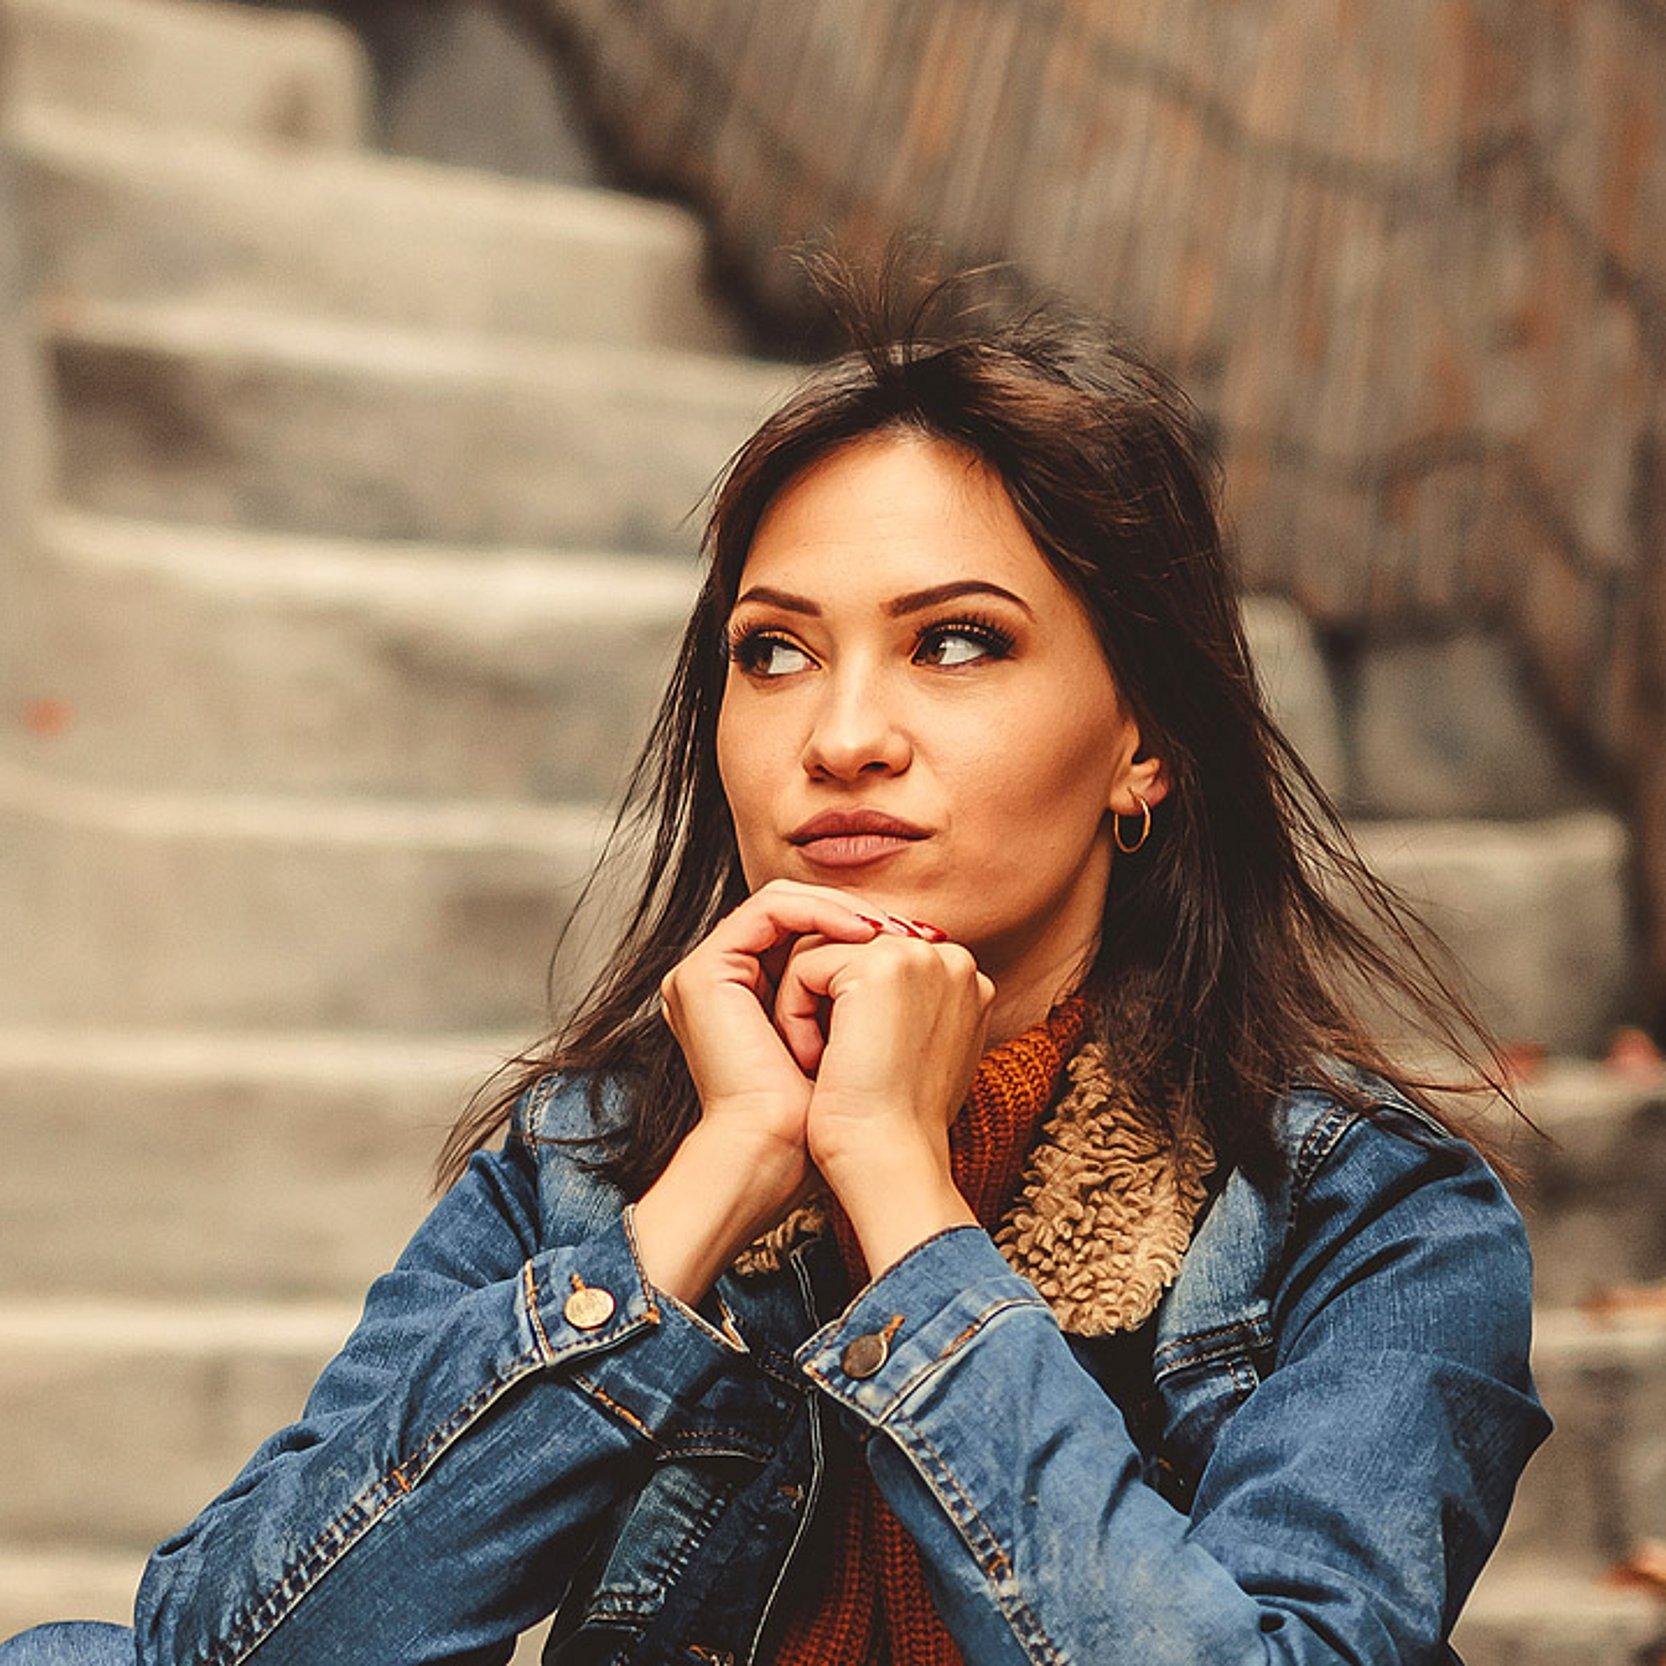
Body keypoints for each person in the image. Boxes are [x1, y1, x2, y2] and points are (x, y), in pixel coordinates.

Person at [1, 247, 1553, 1666]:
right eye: (774, 651)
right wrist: (722, 1172)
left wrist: (896, 1186)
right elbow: (224, 1646)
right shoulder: (597, 1159)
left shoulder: (1368, 1211)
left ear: (1140, 739)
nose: (841, 737)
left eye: (956, 641)